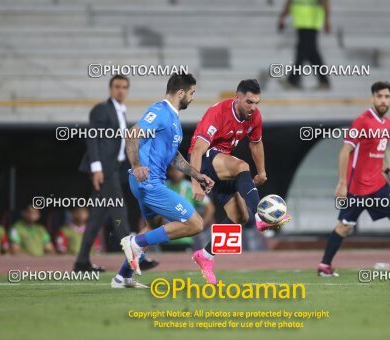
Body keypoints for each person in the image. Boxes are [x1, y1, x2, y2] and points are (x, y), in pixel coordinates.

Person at [317, 81, 390, 276]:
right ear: (372, 98)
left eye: (386, 96)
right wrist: (342, 183)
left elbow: (376, 153)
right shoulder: (362, 121)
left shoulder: (387, 123)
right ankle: (324, 266)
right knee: (345, 226)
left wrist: (389, 172)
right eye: (379, 96)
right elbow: (344, 152)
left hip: (378, 185)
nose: (383, 100)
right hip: (357, 187)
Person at [112, 73, 214, 288]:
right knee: (196, 223)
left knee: (154, 226)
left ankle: (122, 277)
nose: (193, 97)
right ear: (180, 93)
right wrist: (137, 165)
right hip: (148, 182)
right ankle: (135, 243)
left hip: (149, 182)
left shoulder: (173, 119)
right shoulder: (159, 111)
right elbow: (132, 134)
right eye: (192, 93)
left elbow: (174, 157)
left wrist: (197, 175)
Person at [188, 79, 291, 284]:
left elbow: (256, 143)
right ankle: (261, 216)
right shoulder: (218, 113)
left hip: (224, 163)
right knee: (242, 166)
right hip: (205, 161)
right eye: (249, 102)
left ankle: (205, 255)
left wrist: (261, 172)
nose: (253, 107)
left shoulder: (254, 117)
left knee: (239, 218)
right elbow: (198, 149)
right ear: (238, 98)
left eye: (256, 103)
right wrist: (195, 182)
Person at [76, 75, 132, 272]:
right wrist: (97, 168)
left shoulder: (121, 112)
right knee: (120, 213)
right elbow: (92, 138)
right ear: (110, 88)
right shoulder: (102, 109)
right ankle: (135, 258)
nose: (120, 90)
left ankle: (82, 262)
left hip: (114, 168)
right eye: (117, 86)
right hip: (106, 171)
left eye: (124, 87)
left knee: (96, 219)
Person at [278, 0, 331, 90]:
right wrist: (283, 17)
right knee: (312, 54)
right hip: (301, 22)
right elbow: (290, 2)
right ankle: (324, 81)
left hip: (312, 21)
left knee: (302, 51)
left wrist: (326, 20)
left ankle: (293, 80)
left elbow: (325, 2)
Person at [163, 166, 215, 250]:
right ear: (168, 172)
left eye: (179, 170)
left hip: (185, 239)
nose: (176, 173)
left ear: (184, 172)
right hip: (165, 237)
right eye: (173, 170)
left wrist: (200, 226)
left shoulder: (191, 188)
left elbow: (210, 208)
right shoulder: (163, 187)